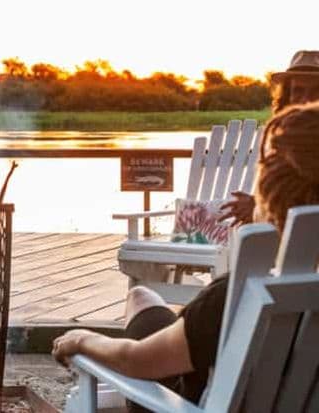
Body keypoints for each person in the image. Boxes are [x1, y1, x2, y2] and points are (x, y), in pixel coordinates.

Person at [53, 101, 319, 410]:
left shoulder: (236, 297)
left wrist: (81, 339)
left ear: (268, 198)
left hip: (182, 404)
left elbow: (133, 361)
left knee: (142, 318)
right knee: (142, 297)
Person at [220, 49, 319, 226]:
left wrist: (256, 209)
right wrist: (258, 203)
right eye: (298, 91)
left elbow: (298, 211)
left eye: (316, 91)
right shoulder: (279, 141)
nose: (306, 100)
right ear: (287, 97)